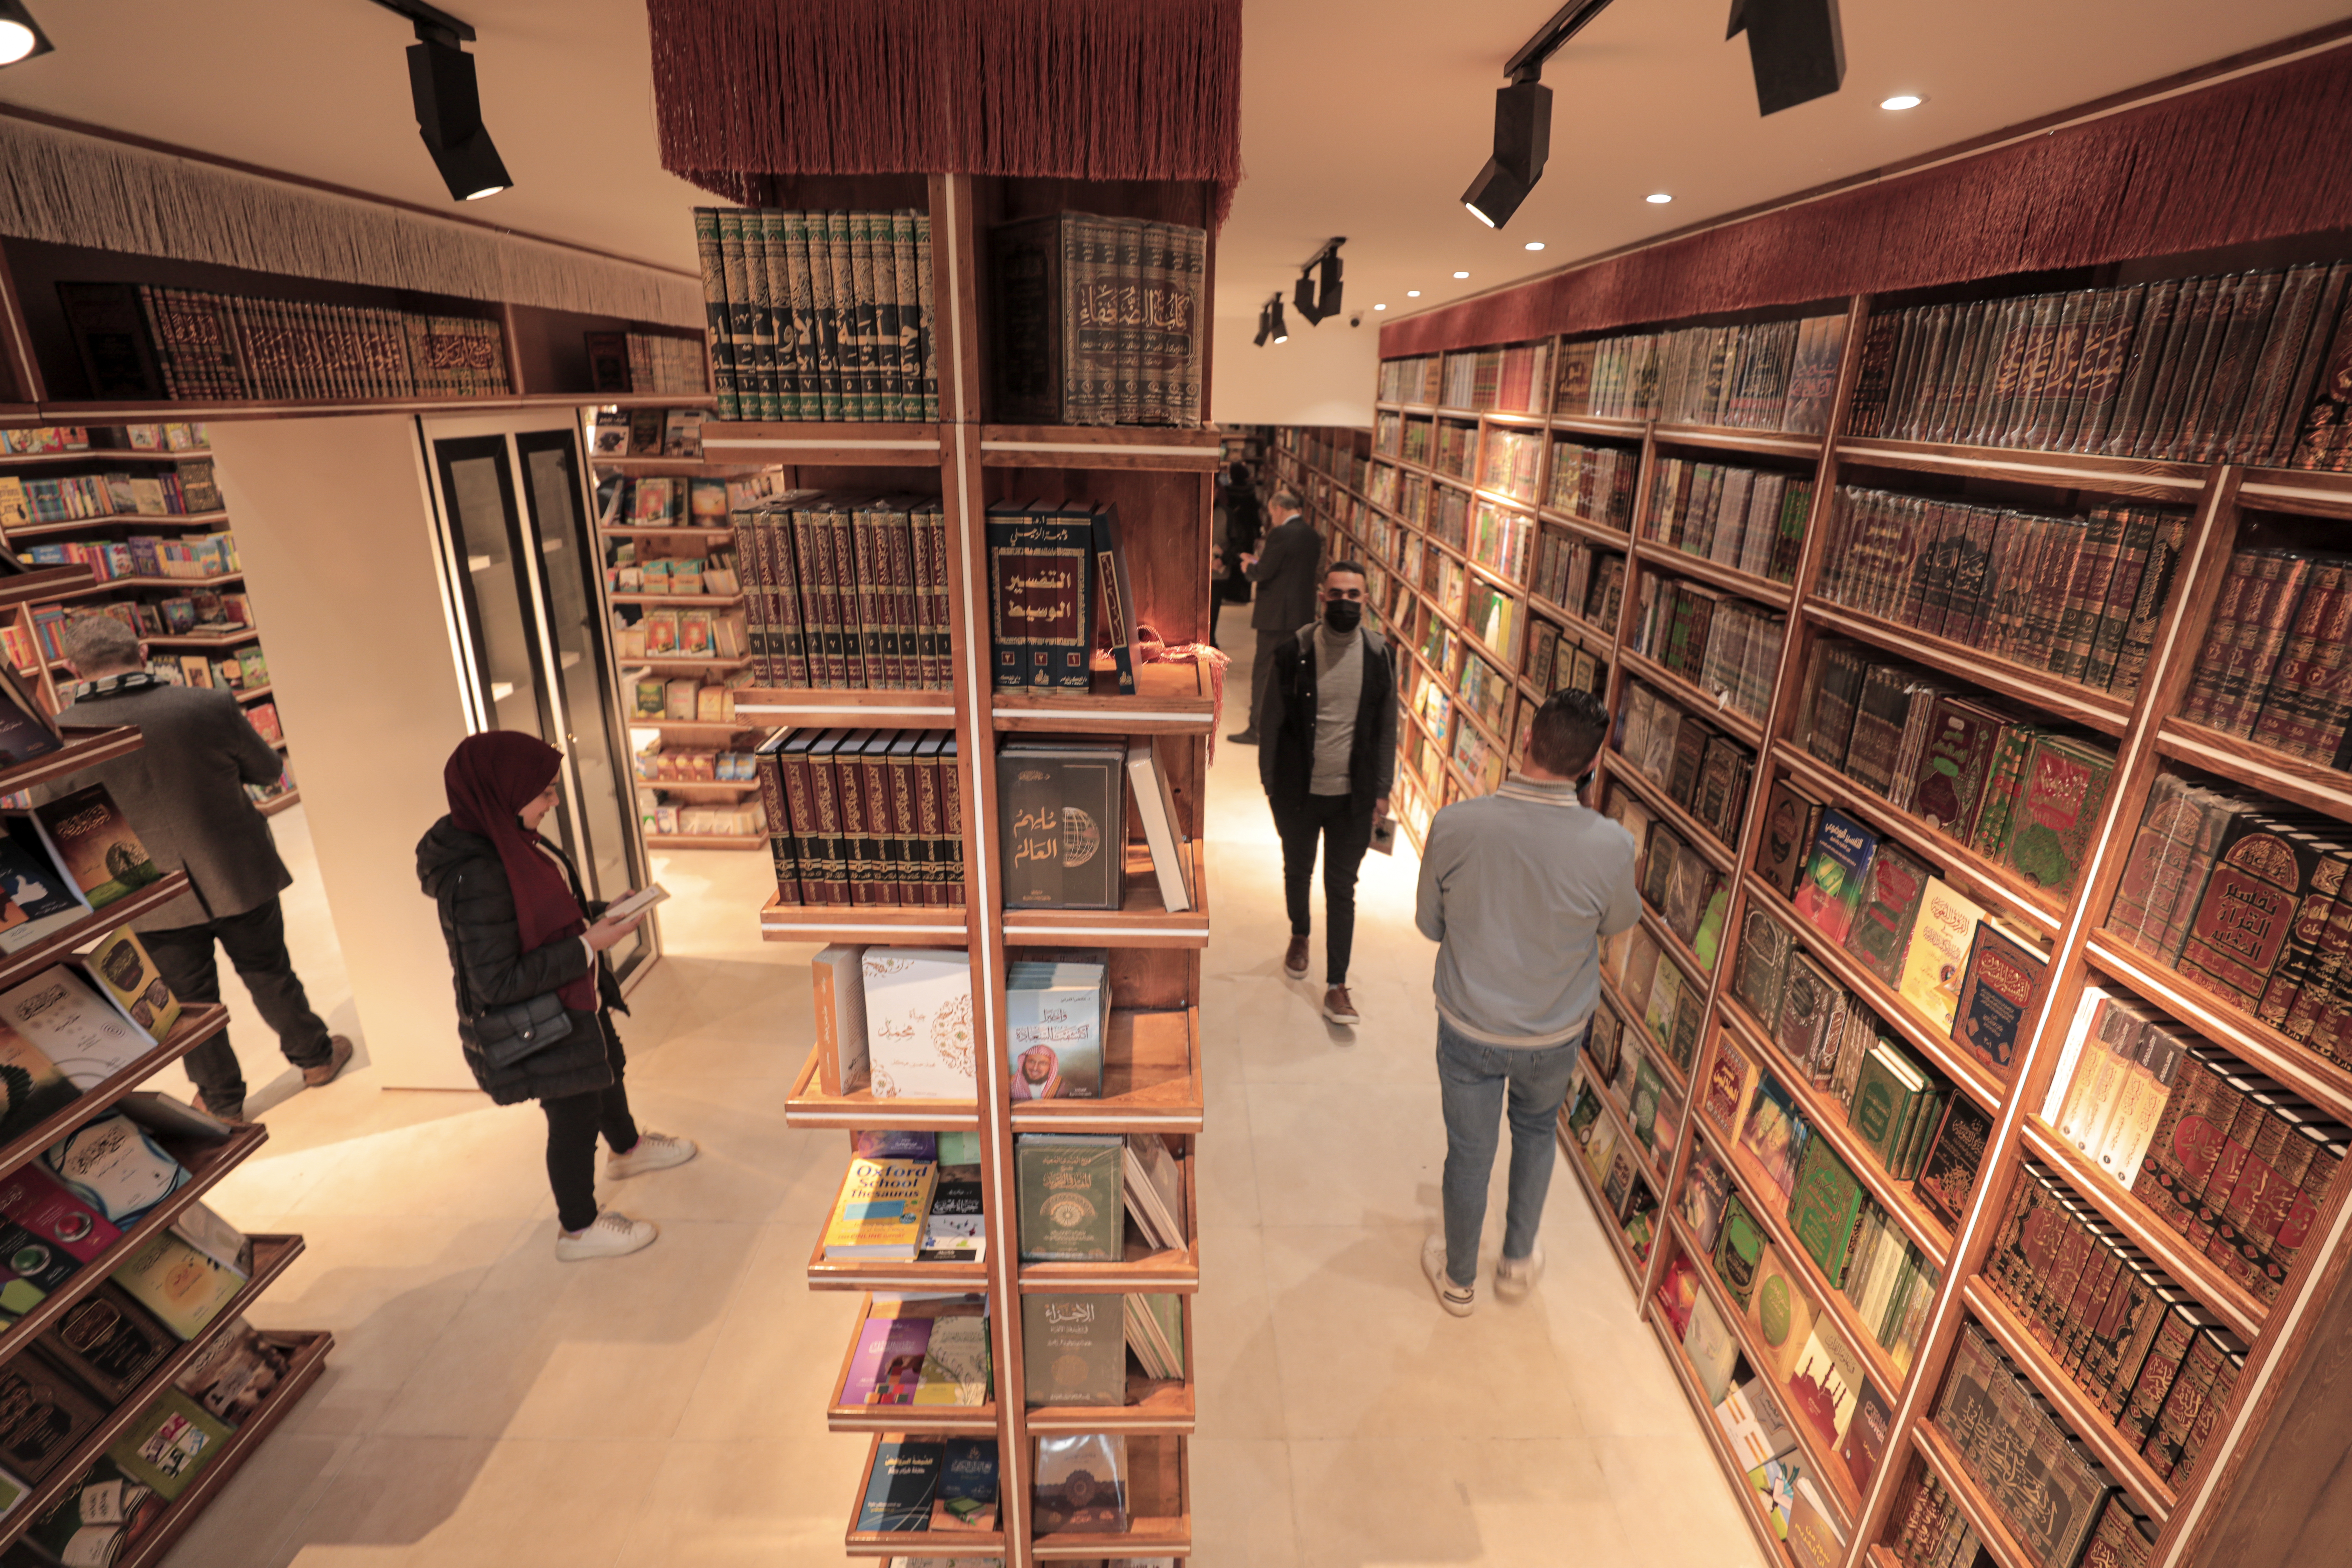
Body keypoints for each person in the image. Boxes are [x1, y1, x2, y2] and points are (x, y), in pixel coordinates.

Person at [55, 614, 352, 1124]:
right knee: (269, 971)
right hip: (236, 870)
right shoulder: (206, 704)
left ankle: (222, 1103)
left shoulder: (61, 736)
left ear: (69, 669)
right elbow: (267, 769)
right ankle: (316, 1059)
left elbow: (59, 826)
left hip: (143, 891)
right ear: (143, 652)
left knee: (186, 1003)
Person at [417, 731, 696, 1261]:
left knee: (607, 1066)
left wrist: (596, 913)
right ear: (506, 791)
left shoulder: (508, 836)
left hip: (572, 1003)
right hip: (539, 1022)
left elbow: (541, 917)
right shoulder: (475, 874)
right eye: (544, 793)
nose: (554, 803)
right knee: (573, 1116)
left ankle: (629, 1150)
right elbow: (496, 981)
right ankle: (579, 1229)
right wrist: (587, 945)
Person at [1414, 689, 1638, 1316]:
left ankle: (1459, 1281)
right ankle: (1516, 1263)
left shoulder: (1457, 825)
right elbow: (1616, 920)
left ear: (1526, 743)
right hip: (1553, 1035)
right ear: (1591, 769)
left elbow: (1430, 926)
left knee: (1470, 1151)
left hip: (1469, 1025)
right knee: (1537, 1132)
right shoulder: (1613, 846)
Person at [1255, 560, 1395, 1027]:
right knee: (1298, 869)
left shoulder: (1379, 655)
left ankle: (1337, 985)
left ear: (1367, 600)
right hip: (1298, 792)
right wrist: (1270, 783)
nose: (1344, 603)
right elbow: (1271, 720)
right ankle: (1300, 934)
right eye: (1336, 594)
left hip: (1351, 799)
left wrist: (1382, 788)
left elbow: (1387, 727)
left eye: (1354, 595)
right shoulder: (1294, 650)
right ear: (1323, 597)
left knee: (1342, 888)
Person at [1229, 487, 1317, 746]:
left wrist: (1249, 567)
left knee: (1264, 671)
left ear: (1279, 509)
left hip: (1276, 616)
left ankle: (1257, 728)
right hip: (1301, 615)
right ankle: (1286, 725)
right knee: (1291, 671)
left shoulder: (1280, 534)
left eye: (1271, 513)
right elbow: (1292, 570)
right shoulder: (1313, 536)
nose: (1272, 519)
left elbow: (1265, 572)